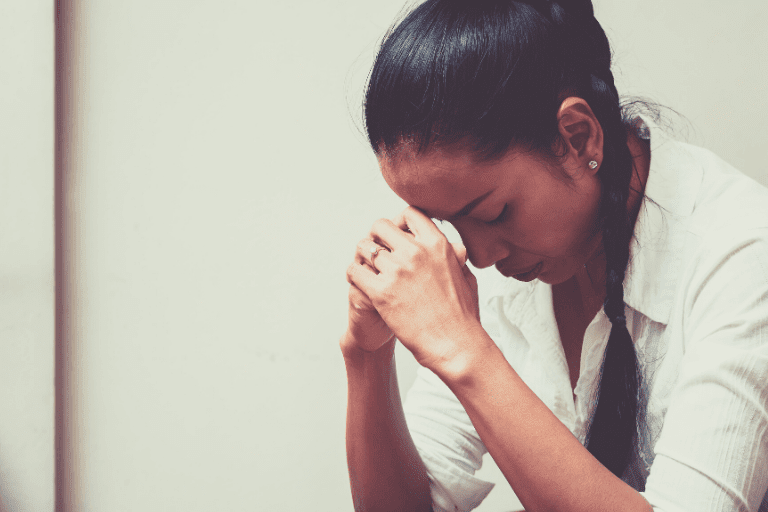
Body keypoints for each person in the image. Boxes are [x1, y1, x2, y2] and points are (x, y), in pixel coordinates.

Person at [340, 1, 768, 511]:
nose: (478, 256)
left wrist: (465, 354)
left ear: (577, 136)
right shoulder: (515, 262)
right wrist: (366, 357)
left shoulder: (742, 253)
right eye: (449, 224)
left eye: (495, 213)